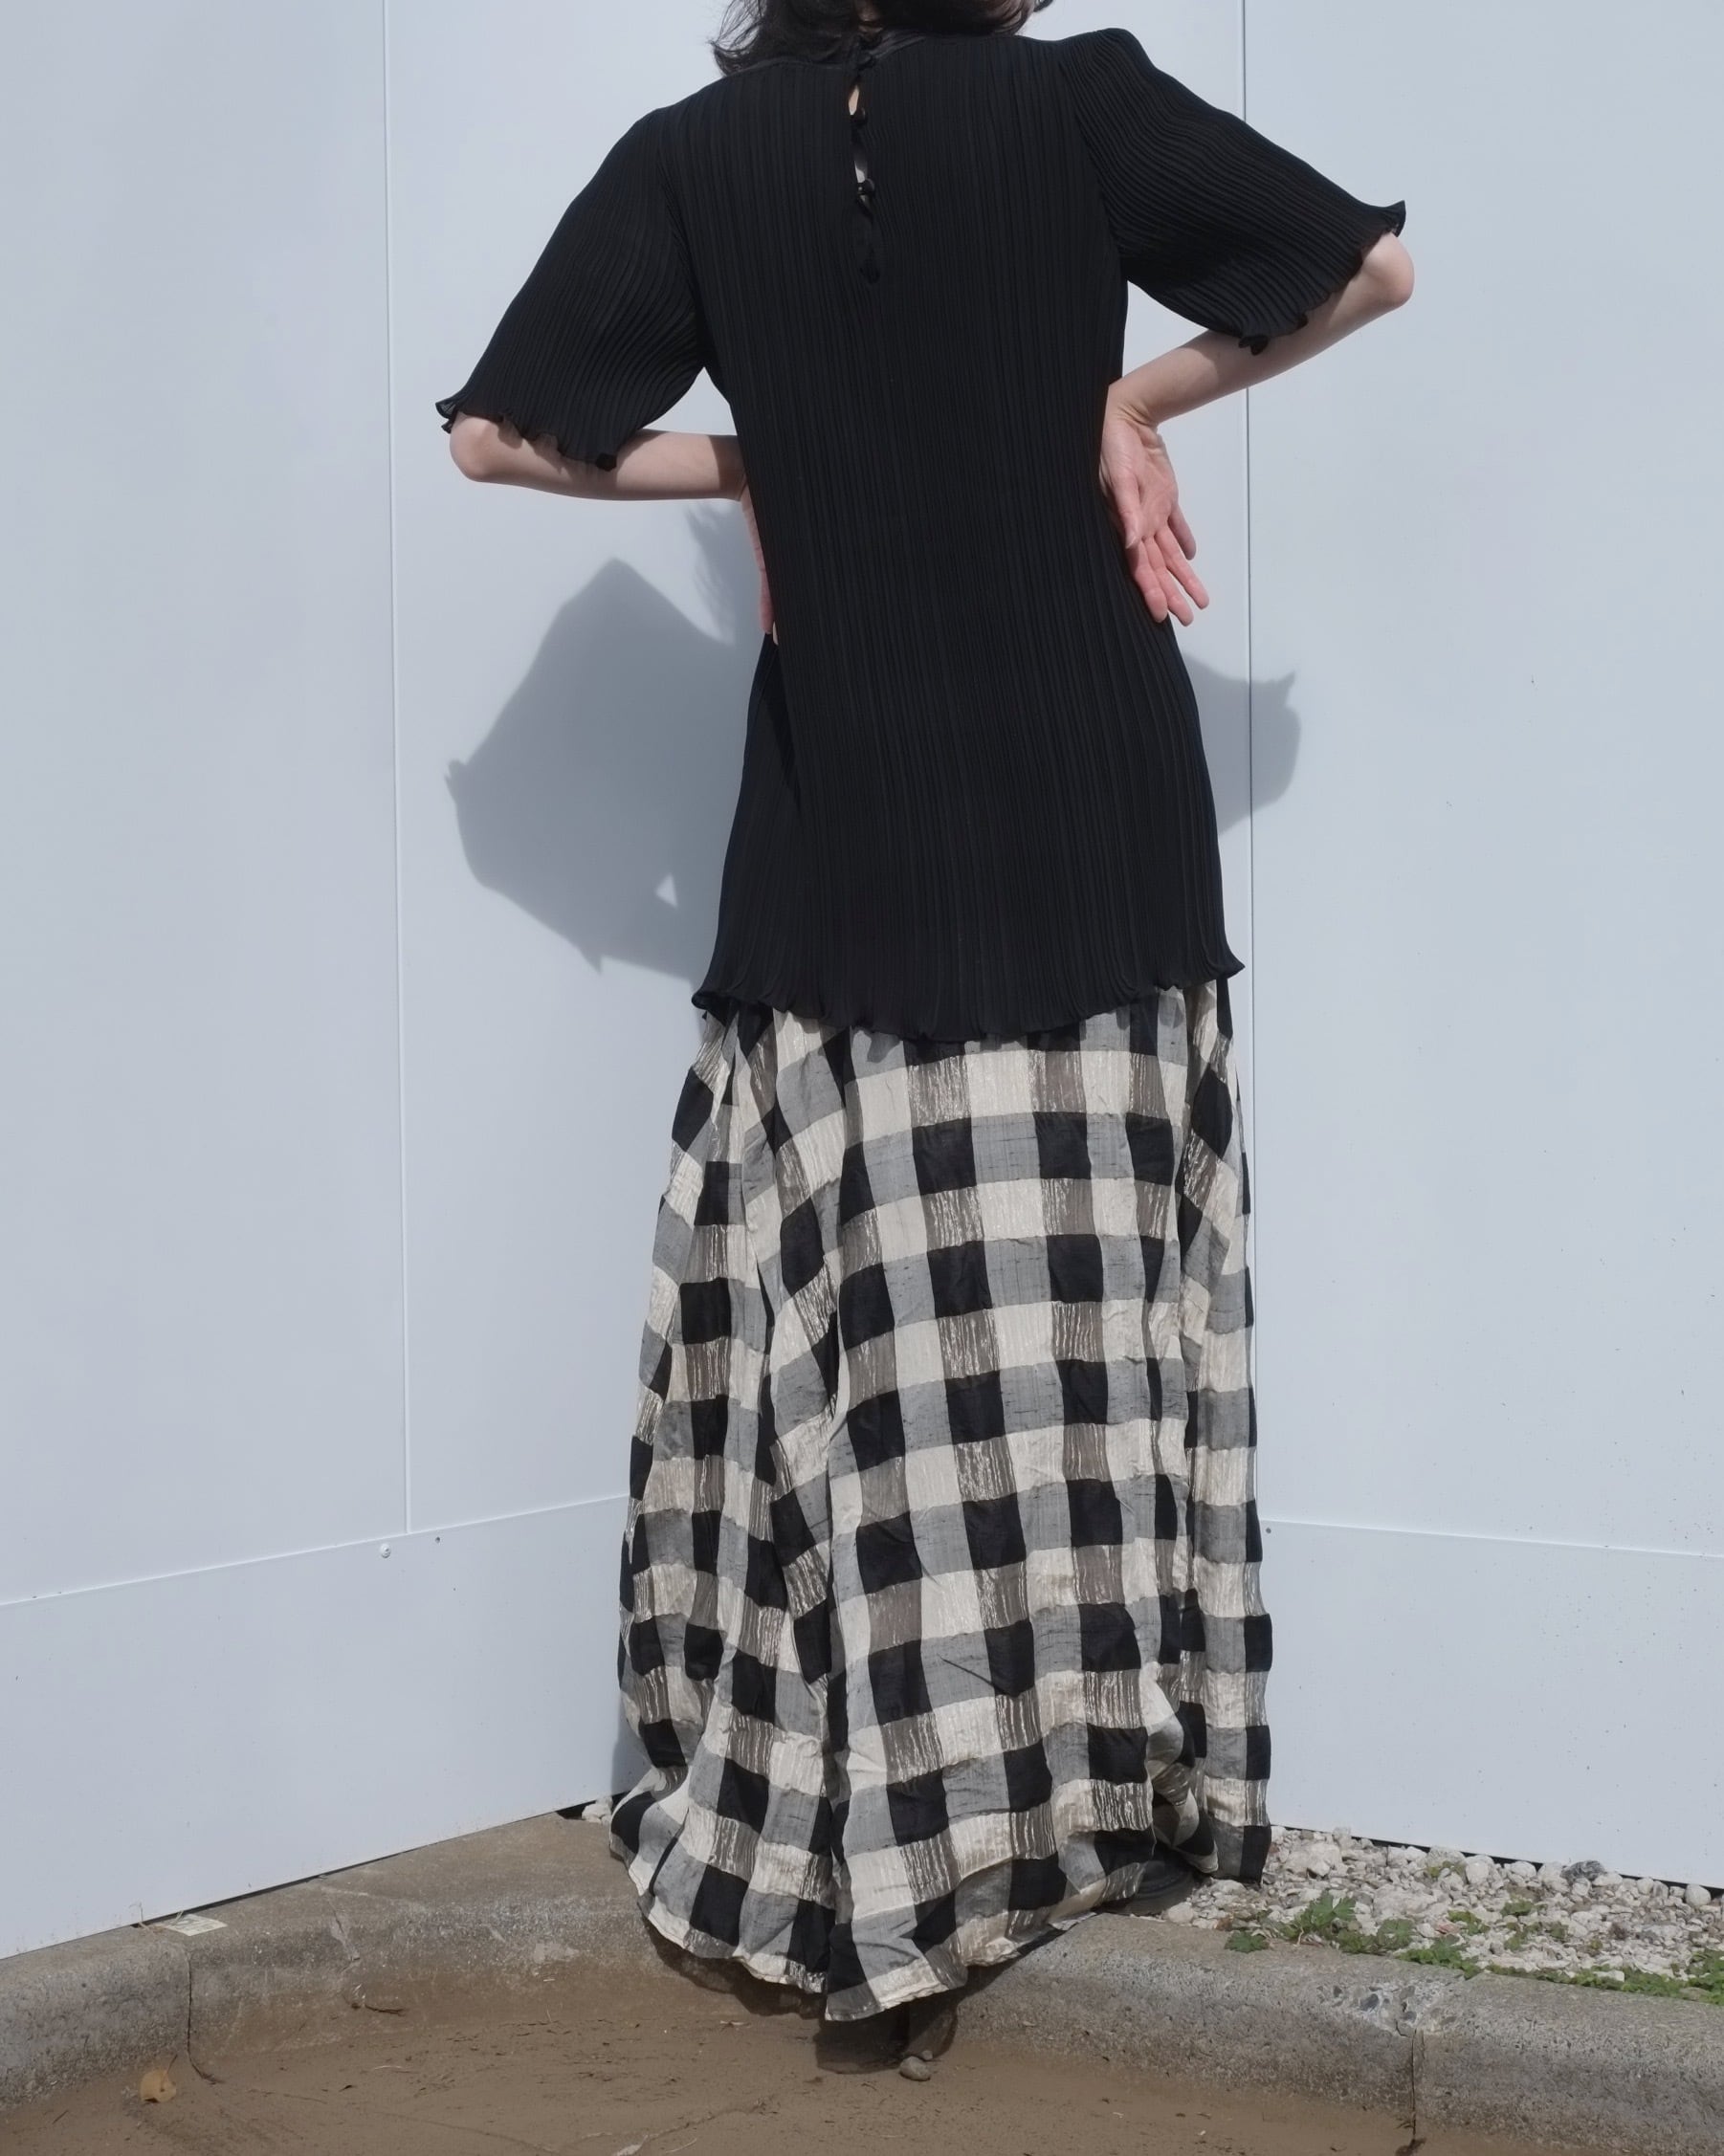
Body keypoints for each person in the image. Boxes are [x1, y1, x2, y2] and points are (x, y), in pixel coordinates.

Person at [437, 0, 1412, 2075]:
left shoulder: (695, 156)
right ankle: (1080, 1800)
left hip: (848, 833)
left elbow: (496, 436)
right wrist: (1113, 398)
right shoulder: (1080, 99)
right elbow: (1368, 269)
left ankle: (882, 1842)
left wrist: (773, 457)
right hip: (1089, 814)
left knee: (859, 1363)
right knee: (1083, 1345)